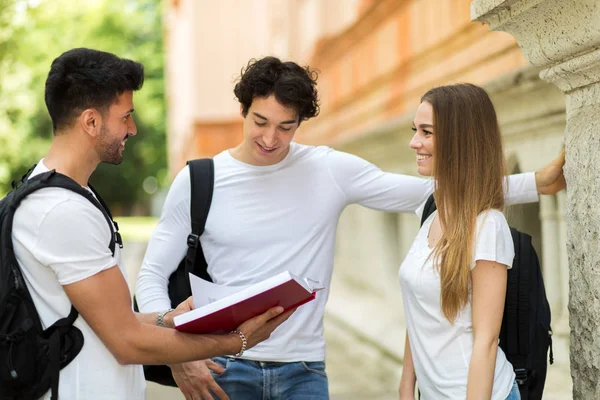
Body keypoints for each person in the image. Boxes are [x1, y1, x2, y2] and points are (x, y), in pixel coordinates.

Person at [135, 57, 565, 400]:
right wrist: (176, 354)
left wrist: (535, 183)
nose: (270, 138)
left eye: (285, 127)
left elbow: (431, 192)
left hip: (303, 372)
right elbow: (152, 275)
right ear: (243, 111)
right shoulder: (199, 180)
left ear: (301, 122)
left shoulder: (327, 169)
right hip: (220, 367)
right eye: (260, 122)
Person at [11, 48, 293, 400]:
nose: (132, 128)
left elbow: (117, 319)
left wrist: (171, 318)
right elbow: (128, 342)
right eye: (125, 116)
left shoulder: (73, 194)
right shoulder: (60, 209)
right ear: (91, 121)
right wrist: (239, 340)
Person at [398, 83, 527, 399]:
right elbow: (418, 310)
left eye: (427, 132)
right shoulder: (431, 213)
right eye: (416, 130)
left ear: (460, 141)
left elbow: (486, 340)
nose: (414, 142)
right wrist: (405, 387)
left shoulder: (488, 227)